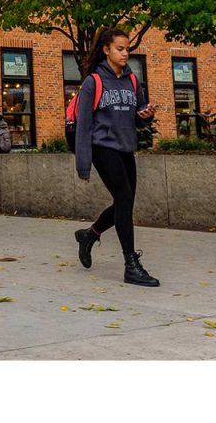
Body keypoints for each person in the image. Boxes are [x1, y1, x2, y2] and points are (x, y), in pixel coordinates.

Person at [73, 26, 160, 287]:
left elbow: (137, 115)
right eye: (120, 49)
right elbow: (83, 125)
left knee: (125, 202)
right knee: (123, 198)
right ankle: (131, 264)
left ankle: (90, 235)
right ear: (106, 50)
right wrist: (83, 164)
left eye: (128, 49)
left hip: (125, 147)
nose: (125, 53)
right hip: (103, 148)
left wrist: (146, 115)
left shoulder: (132, 80)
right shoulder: (94, 82)